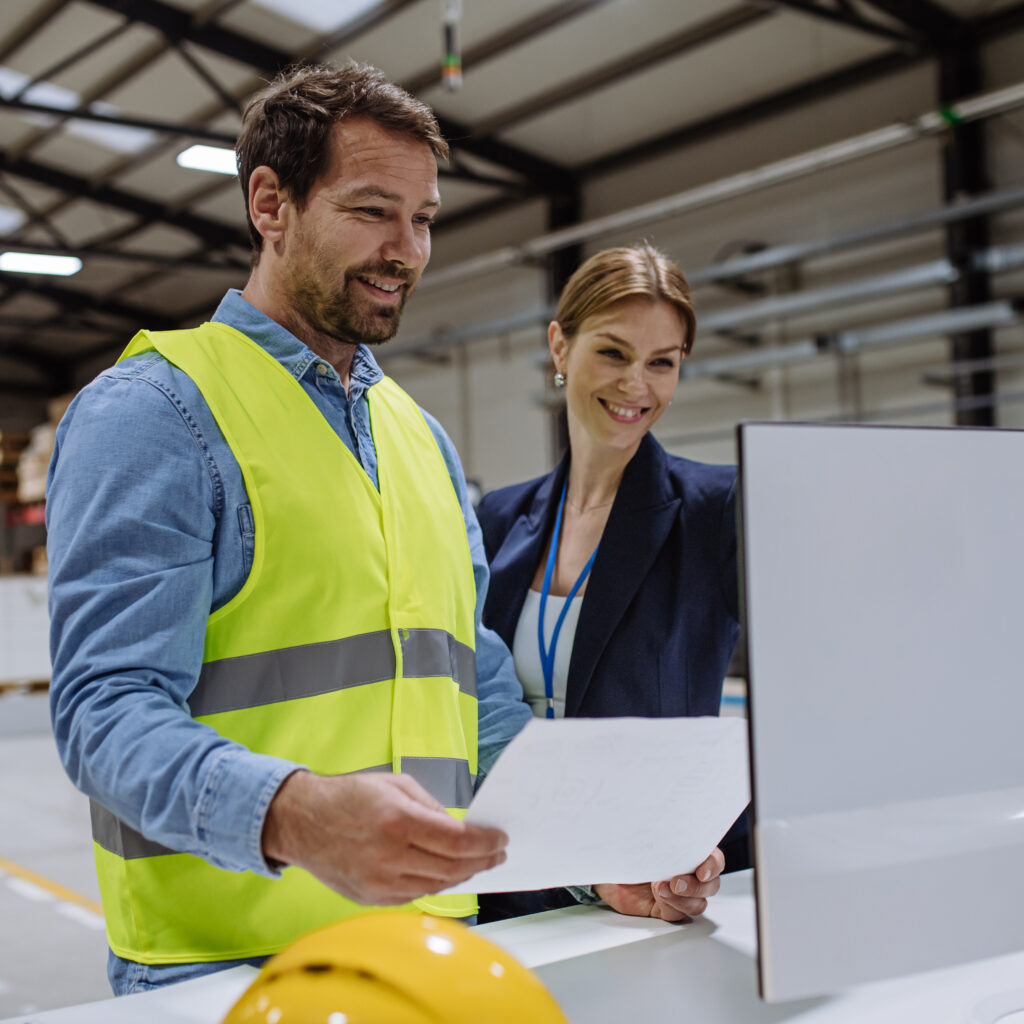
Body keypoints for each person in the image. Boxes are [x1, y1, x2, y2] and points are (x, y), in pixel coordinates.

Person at [45, 61, 534, 995]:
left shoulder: (418, 436)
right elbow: (104, 711)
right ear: (271, 204)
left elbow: (475, 688)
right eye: (370, 211)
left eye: (423, 218)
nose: (406, 250)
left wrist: (602, 850)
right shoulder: (155, 413)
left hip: (433, 950)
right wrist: (295, 815)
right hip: (230, 970)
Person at [475, 244, 748, 923]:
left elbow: (811, 697)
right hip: (511, 884)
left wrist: (718, 836)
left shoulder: (717, 511)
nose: (637, 385)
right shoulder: (498, 519)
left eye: (663, 363)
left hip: (642, 890)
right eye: (614, 353)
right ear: (559, 347)